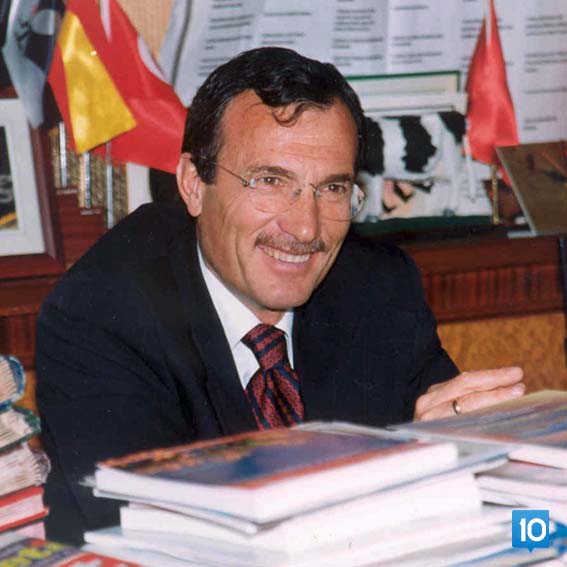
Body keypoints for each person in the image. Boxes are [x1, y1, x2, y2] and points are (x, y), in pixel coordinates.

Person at [35, 47, 524, 544]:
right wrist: (404, 477)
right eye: (270, 181)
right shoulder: (101, 316)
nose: (306, 227)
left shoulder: (377, 287)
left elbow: (451, 451)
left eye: (332, 189)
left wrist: (461, 447)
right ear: (193, 185)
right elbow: (163, 538)